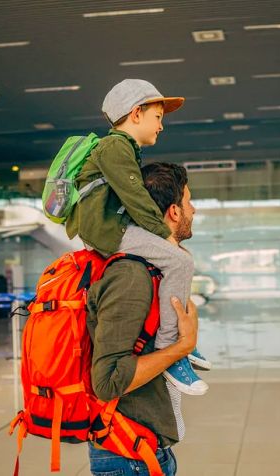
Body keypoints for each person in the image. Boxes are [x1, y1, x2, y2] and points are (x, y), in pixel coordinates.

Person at [66, 78, 210, 395]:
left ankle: (176, 346)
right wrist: (163, 236)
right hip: (107, 231)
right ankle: (171, 350)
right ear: (136, 113)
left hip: (108, 227)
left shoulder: (122, 148)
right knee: (180, 261)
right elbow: (134, 196)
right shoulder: (115, 147)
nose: (161, 126)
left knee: (174, 262)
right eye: (158, 117)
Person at [86, 162, 199, 475]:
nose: (194, 210)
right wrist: (182, 346)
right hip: (128, 457)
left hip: (144, 453)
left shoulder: (155, 271)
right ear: (174, 212)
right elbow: (107, 382)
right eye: (189, 202)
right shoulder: (131, 276)